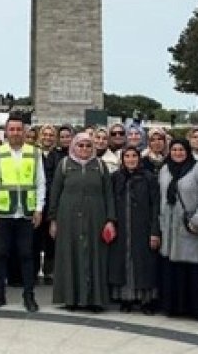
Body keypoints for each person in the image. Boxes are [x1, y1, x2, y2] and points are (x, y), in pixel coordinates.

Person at [48, 131, 114, 312]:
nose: (84, 149)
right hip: (68, 217)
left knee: (95, 255)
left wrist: (110, 220)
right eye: (80, 145)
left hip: (96, 217)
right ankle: (71, 298)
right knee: (70, 254)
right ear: (73, 146)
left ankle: (95, 299)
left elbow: (108, 194)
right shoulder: (64, 165)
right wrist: (53, 220)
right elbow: (55, 193)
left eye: (87, 145)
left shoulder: (100, 166)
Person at [0, 117, 45, 313]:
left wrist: (39, 208)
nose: (16, 133)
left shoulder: (35, 153)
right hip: (3, 211)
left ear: (24, 131)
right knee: (1, 254)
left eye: (19, 129)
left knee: (27, 255)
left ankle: (29, 296)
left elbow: (40, 182)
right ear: (6, 132)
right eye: (12, 129)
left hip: (26, 213)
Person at [157, 137, 198, 321]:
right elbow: (160, 197)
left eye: (181, 150)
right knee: (172, 268)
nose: (178, 153)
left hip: (190, 228)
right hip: (169, 227)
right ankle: (173, 307)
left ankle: (196, 309)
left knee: (192, 268)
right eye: (174, 150)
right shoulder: (165, 169)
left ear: (188, 151)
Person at [108, 144, 161, 314]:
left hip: (143, 227)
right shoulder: (116, 177)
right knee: (124, 261)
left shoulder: (149, 178)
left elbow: (156, 206)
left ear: (139, 158)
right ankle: (126, 298)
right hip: (122, 227)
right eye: (127, 156)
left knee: (144, 263)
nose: (131, 159)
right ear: (122, 159)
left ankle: (146, 300)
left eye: (134, 156)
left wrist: (154, 231)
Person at [35, 124, 62, 284]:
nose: (48, 137)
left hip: (53, 201)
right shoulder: (33, 153)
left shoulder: (59, 156)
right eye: (45, 134)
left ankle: (49, 272)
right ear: (40, 136)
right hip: (37, 202)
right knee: (35, 238)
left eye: (51, 135)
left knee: (52, 238)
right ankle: (34, 270)